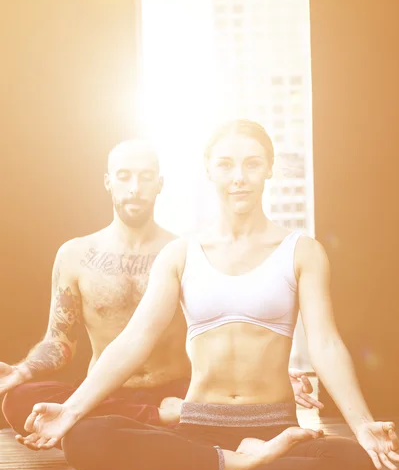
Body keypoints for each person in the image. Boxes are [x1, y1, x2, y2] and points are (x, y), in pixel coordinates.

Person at [20, 120, 399, 470]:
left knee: (356, 464)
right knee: (86, 439)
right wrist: (70, 412)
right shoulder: (181, 254)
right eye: (226, 165)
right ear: (209, 171)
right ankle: (243, 464)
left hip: (272, 425)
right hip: (199, 428)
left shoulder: (301, 251)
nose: (239, 177)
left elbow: (325, 343)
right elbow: (135, 340)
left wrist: (362, 425)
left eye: (252, 164)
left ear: (269, 168)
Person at [1, 139, 319, 438]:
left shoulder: (188, 252)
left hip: (178, 391)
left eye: (145, 177)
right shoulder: (75, 255)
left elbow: (231, 322)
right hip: (106, 392)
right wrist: (23, 371)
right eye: (124, 177)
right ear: (108, 181)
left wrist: (271, 375)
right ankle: (148, 419)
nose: (135, 188)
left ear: (160, 184)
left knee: (91, 431)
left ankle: (114, 424)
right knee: (18, 402)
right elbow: (59, 343)